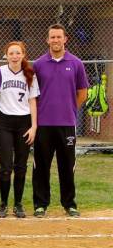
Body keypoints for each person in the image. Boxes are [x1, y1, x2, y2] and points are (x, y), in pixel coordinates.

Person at [32, 23, 88, 218]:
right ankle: (40, 204)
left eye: (59, 37)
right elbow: (33, 94)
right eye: (52, 37)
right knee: (41, 166)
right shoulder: (38, 65)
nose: (55, 40)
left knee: (67, 165)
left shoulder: (76, 63)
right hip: (43, 125)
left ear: (65, 39)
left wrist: (71, 109)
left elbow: (82, 92)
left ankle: (69, 204)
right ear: (47, 40)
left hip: (66, 124)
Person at [0, 41, 39, 218]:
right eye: (11, 53)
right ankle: (3, 203)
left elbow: (32, 100)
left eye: (17, 53)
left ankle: (18, 204)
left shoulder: (30, 74)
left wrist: (34, 126)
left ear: (23, 54)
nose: (14, 56)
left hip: (23, 122)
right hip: (4, 122)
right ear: (6, 55)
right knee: (5, 166)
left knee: (21, 166)